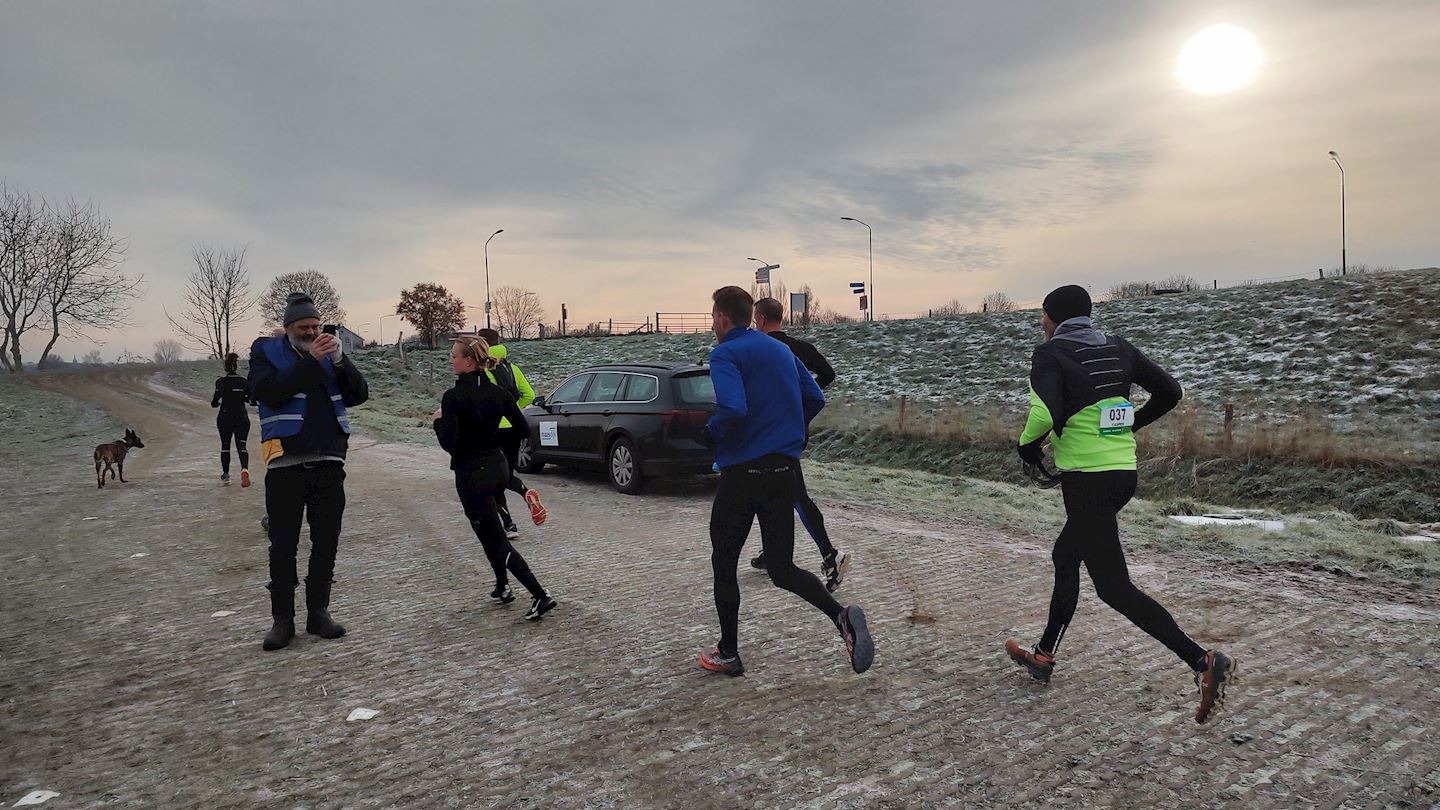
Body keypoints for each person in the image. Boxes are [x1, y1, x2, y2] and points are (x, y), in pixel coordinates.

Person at [1004, 284, 1236, 724]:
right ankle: (1044, 655)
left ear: (1052, 318)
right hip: (1121, 476)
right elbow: (1170, 391)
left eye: (1043, 317)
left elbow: (1044, 413)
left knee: (1113, 588)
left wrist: (1026, 447)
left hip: (1087, 482)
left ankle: (1203, 662)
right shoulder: (1117, 347)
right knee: (1066, 554)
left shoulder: (1049, 354)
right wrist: (1131, 424)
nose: (1041, 324)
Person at [698, 285, 873, 677]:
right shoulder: (781, 350)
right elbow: (815, 399)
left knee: (724, 563)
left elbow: (732, 408)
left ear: (723, 318)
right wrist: (786, 432)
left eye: (713, 318)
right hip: (783, 470)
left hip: (742, 475)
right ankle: (841, 616)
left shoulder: (725, 352)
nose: (712, 325)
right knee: (782, 568)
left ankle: (728, 652)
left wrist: (712, 433)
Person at [249, 294, 370, 651]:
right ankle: (282, 621)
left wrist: (339, 359)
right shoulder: (266, 352)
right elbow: (266, 393)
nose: (312, 332)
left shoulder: (330, 356)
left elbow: (359, 394)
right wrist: (312, 361)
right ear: (288, 329)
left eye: (316, 327)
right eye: (305, 328)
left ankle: (319, 613)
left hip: (330, 461)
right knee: (283, 546)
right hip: (285, 462)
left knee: (326, 543)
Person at [433, 335, 557, 620]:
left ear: (468, 360)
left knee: (495, 540)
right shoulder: (499, 393)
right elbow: (523, 429)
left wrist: (439, 421)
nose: (450, 359)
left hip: (470, 475)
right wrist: (492, 436)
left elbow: (449, 444)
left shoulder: (452, 398)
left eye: (454, 355)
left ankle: (540, 594)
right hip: (499, 467)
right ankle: (502, 586)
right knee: (488, 533)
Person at [748, 297, 850, 591]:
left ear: (762, 320)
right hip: (796, 429)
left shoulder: (763, 351)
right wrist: (800, 403)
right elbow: (828, 375)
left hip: (773, 434)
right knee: (776, 488)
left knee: (794, 493)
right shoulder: (803, 349)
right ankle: (774, 551)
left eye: (756, 320)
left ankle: (831, 556)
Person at [476, 328, 547, 539]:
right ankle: (525, 496)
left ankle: (509, 524)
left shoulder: (484, 368)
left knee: (494, 477)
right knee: (505, 473)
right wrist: (513, 408)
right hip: (514, 429)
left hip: (493, 429)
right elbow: (530, 394)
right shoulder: (511, 367)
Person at [212, 352, 254, 487]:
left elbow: (215, 399)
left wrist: (215, 403)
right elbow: (251, 400)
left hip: (225, 416)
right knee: (242, 444)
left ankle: (226, 474)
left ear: (226, 368)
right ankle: (244, 469)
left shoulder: (221, 382)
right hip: (242, 416)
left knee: (225, 445)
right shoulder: (244, 382)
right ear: (236, 366)